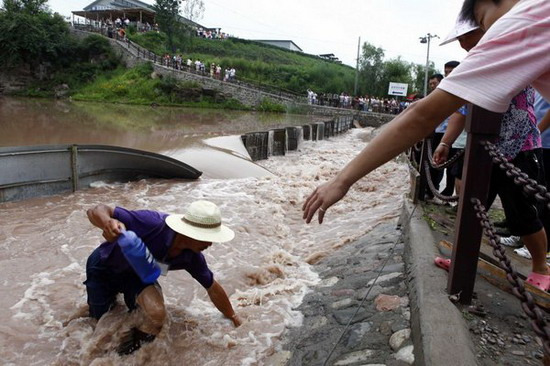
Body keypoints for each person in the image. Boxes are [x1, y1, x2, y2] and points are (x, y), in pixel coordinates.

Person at [303, 0, 550, 287]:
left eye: (481, 22)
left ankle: (540, 268)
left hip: (520, 147)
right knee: (472, 205)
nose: (480, 33)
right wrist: (446, 142)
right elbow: (449, 113)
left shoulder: (517, 24)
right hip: (486, 147)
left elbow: (422, 116)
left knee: (524, 213)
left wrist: (342, 181)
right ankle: (463, 257)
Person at [84, 200, 242, 355]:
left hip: (139, 275)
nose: (211, 243)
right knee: (102, 324)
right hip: (103, 268)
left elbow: (212, 287)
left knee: (157, 314)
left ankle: (132, 354)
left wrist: (233, 316)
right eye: (208, 237)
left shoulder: (193, 258)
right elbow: (95, 210)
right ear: (190, 231)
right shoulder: (151, 223)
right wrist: (108, 223)